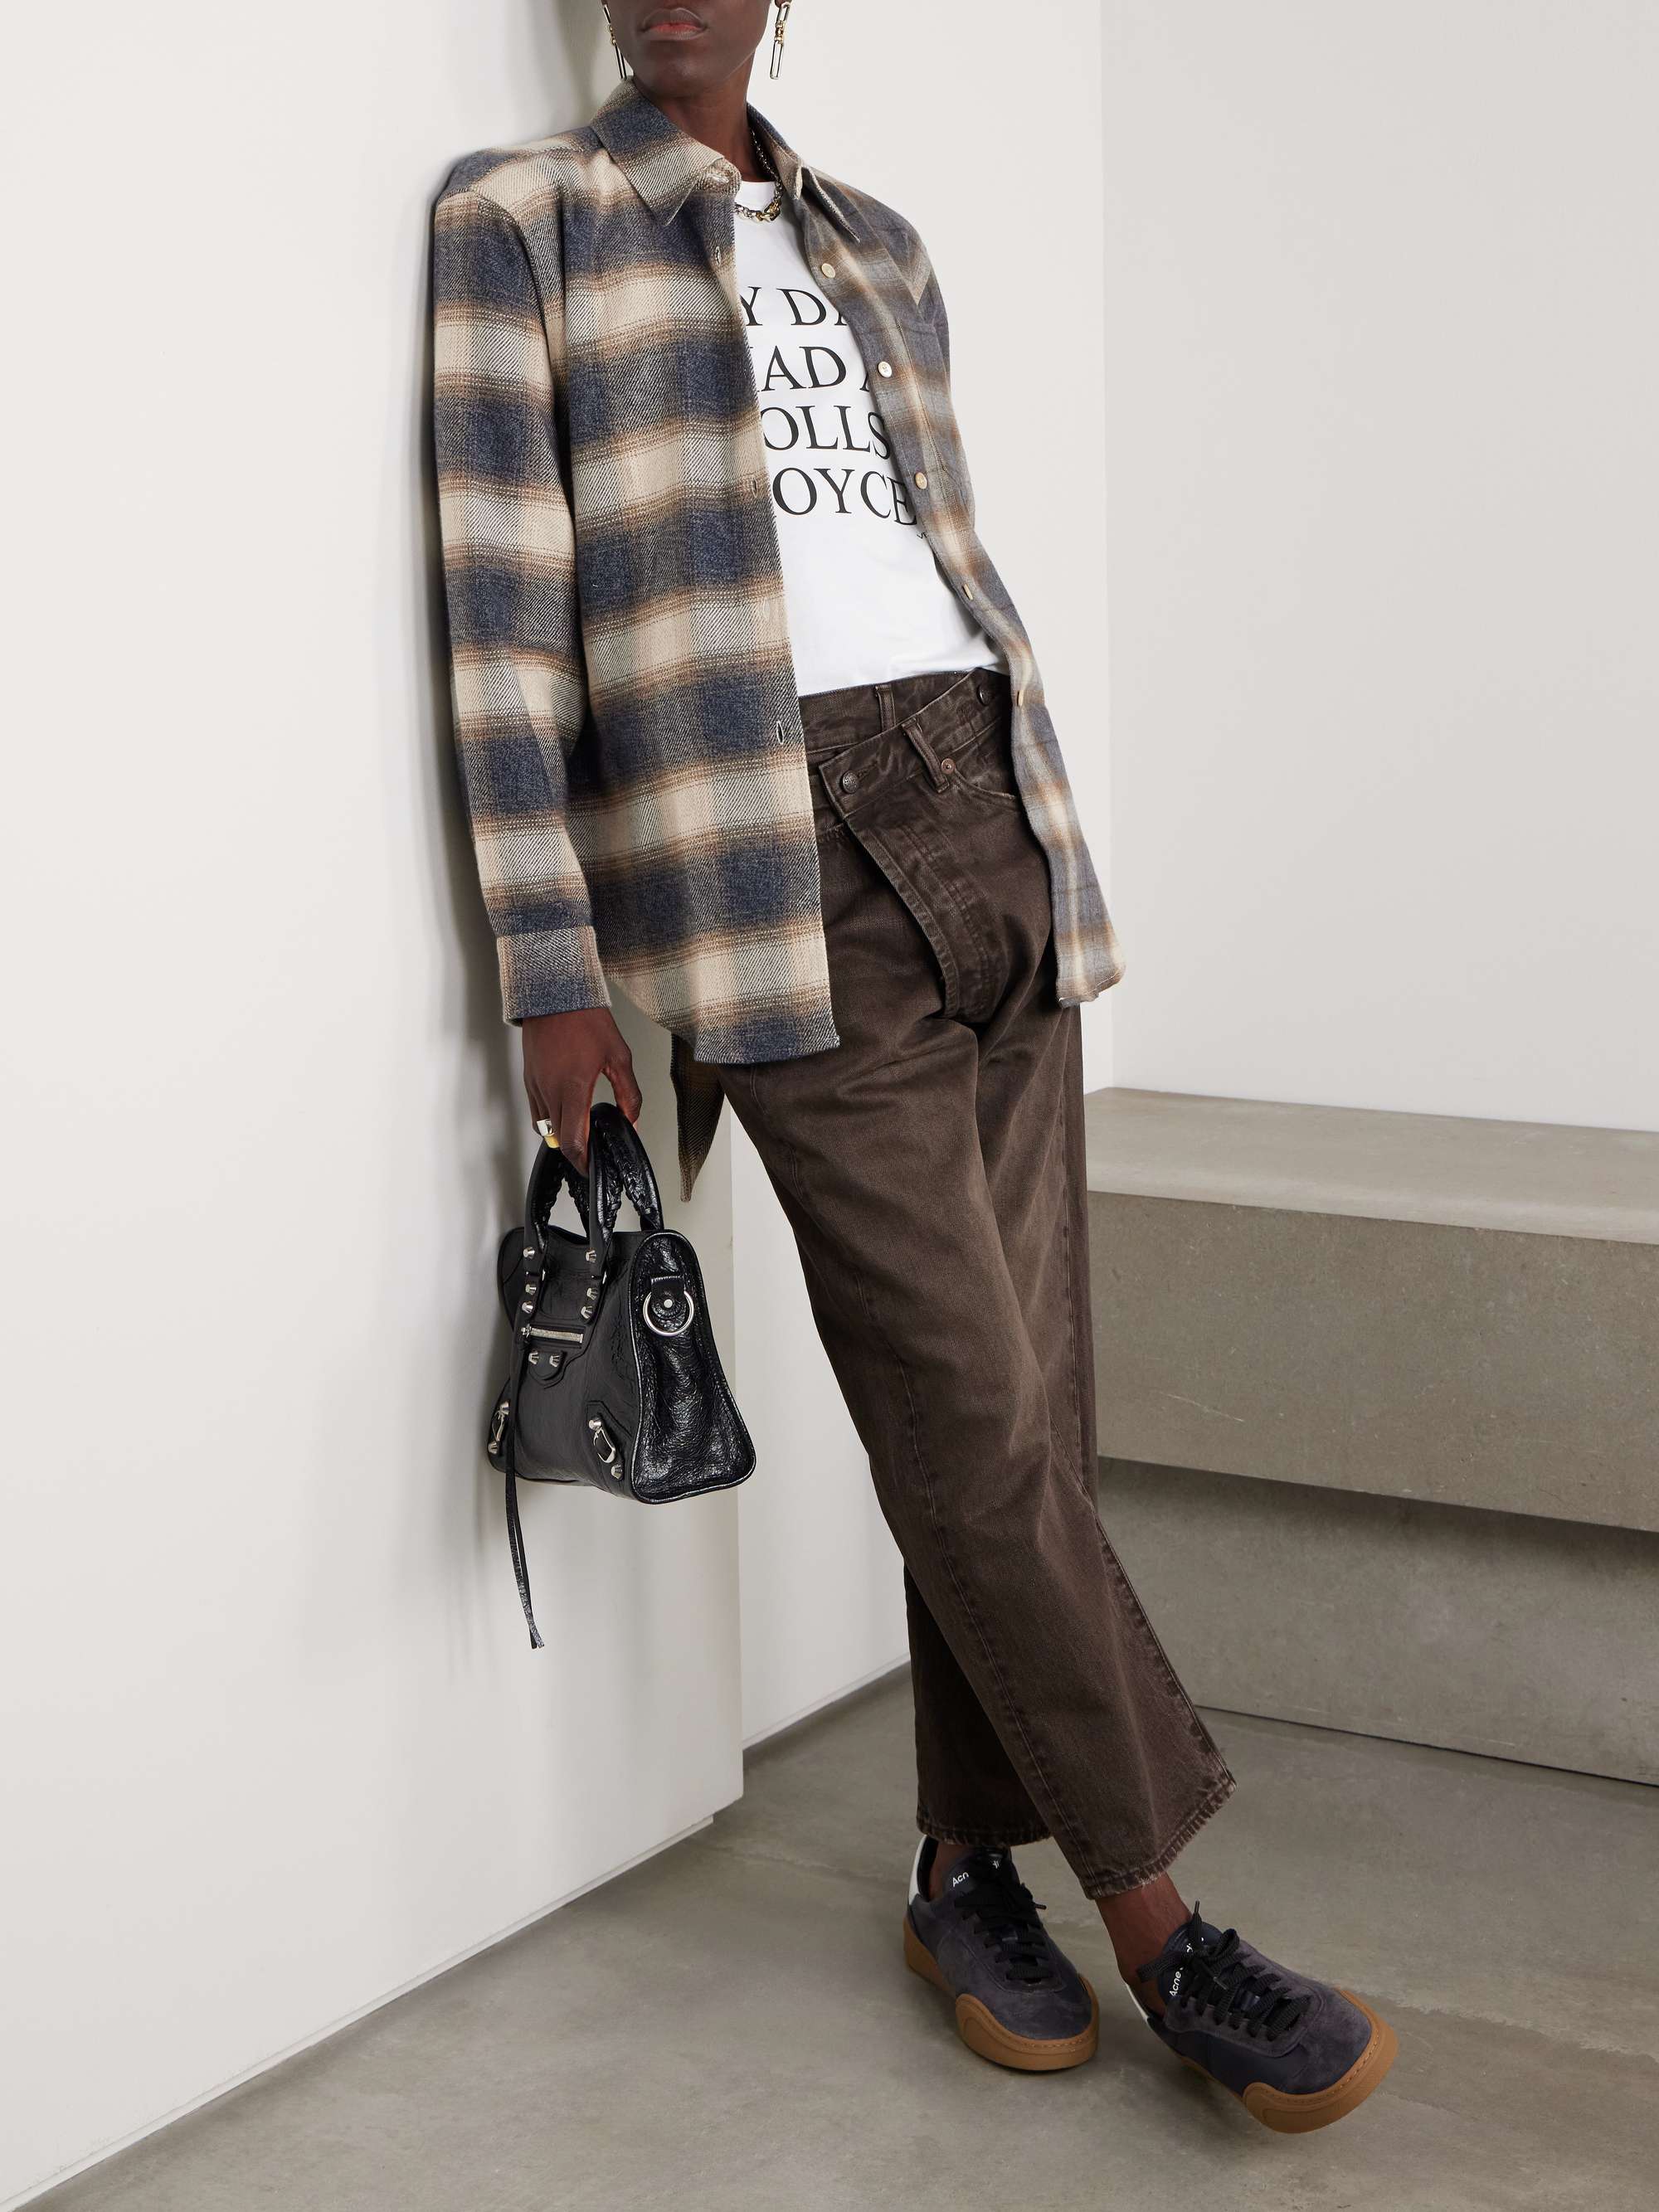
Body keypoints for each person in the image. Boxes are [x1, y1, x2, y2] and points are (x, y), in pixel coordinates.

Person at [431, 0, 1398, 2133]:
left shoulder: (877, 236)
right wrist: (550, 967)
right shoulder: (527, 222)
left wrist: (1024, 827)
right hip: (769, 860)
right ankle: (1166, 1927)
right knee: (966, 1413)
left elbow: (933, 547)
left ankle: (967, 1868)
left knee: (1027, 1410)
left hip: (988, 812)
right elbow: (502, 627)